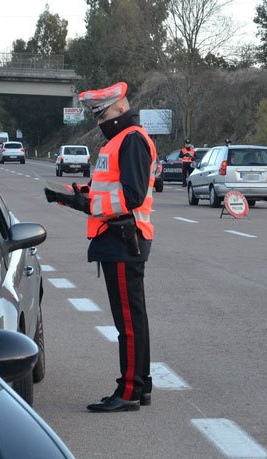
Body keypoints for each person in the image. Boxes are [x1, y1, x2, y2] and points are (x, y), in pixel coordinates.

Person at [43, 81, 156, 412]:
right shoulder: (122, 140)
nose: (100, 122)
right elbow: (109, 188)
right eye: (96, 116)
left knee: (128, 322)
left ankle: (130, 390)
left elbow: (131, 196)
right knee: (132, 319)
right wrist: (74, 195)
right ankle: (142, 385)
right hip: (118, 237)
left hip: (124, 237)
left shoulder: (132, 140)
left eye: (103, 114)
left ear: (121, 108)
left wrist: (85, 204)